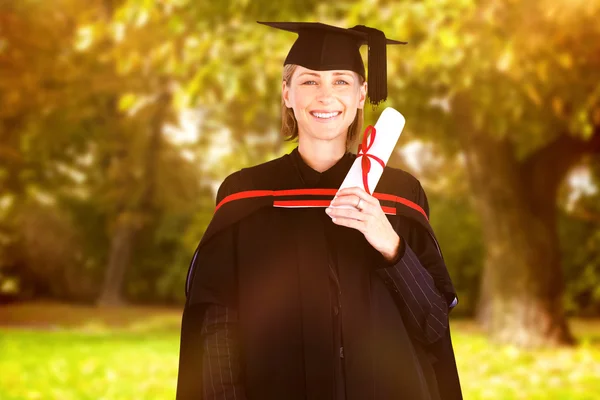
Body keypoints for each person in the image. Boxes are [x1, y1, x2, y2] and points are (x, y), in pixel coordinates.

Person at [177, 21, 462, 400]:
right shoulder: (246, 195)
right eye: (310, 81)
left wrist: (390, 245)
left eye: (341, 81)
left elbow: (433, 326)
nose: (325, 96)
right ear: (287, 94)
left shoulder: (399, 194)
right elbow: (218, 329)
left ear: (362, 94)